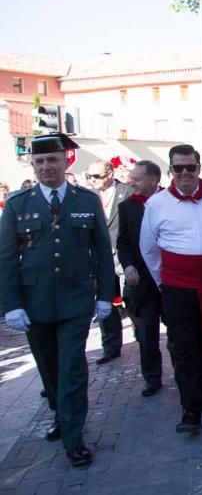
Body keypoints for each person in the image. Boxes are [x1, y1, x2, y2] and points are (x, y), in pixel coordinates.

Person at [1, 133, 115, 467]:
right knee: (49, 367)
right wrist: (12, 304)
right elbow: (7, 258)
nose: (46, 167)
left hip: (76, 300)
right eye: (39, 162)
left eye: (52, 160)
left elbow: (102, 253)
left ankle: (73, 436)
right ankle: (59, 413)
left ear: (66, 162)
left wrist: (105, 295)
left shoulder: (86, 200)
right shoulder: (18, 202)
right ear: (32, 165)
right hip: (34, 302)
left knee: (72, 367)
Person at [140, 144, 202, 434]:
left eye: (190, 167)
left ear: (198, 168)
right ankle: (189, 409)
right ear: (170, 170)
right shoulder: (156, 204)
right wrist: (163, 282)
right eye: (178, 168)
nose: (184, 173)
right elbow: (149, 249)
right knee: (183, 347)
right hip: (177, 287)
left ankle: (201, 393)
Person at [116, 161, 164, 397]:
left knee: (178, 330)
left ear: (153, 180)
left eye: (137, 178)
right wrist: (128, 266)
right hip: (141, 283)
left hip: (169, 279)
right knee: (146, 331)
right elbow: (122, 242)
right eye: (131, 177)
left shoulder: (171, 202)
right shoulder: (127, 207)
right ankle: (152, 377)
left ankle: (184, 371)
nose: (131, 182)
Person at [84, 159, 133, 364]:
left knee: (132, 297)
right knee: (105, 301)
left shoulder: (127, 192)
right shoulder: (87, 197)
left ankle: (141, 333)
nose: (93, 180)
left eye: (97, 176)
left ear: (110, 174)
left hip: (124, 255)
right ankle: (111, 346)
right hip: (100, 258)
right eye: (90, 177)